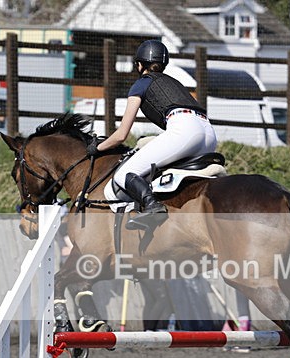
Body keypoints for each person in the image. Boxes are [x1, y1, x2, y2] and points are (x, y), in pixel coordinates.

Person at [93, 40, 217, 230]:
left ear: (140, 64)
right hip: (208, 133)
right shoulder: (175, 83)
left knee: (124, 174)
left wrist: (96, 147)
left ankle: (152, 207)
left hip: (185, 130)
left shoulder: (141, 84)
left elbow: (121, 135)